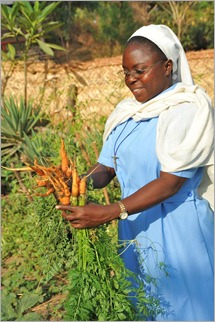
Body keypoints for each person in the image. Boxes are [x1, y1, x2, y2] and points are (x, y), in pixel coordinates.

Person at [56, 24, 214, 320]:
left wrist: (109, 211)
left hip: (179, 230)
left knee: (187, 309)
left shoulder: (188, 109)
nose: (130, 80)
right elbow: (106, 168)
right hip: (134, 229)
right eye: (125, 71)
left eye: (139, 70)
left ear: (167, 66)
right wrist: (77, 184)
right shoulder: (128, 113)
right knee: (146, 306)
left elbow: (170, 183)